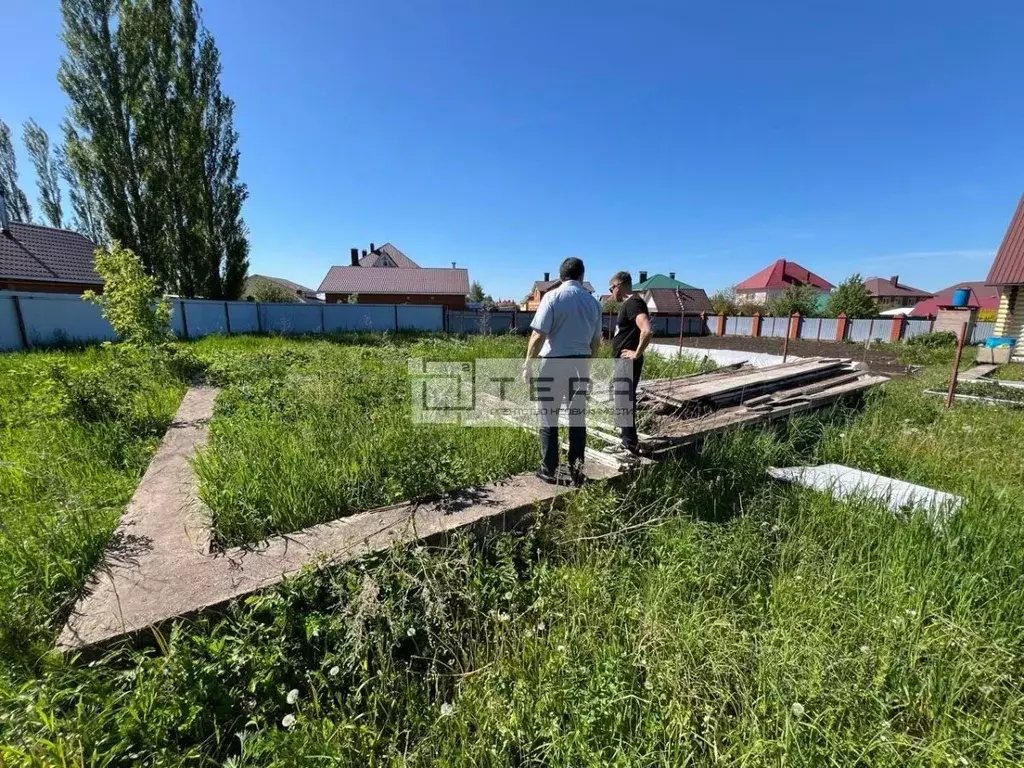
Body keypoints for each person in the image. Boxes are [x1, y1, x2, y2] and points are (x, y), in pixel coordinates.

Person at [522, 257, 602, 485]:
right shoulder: (594, 303)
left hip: (553, 364)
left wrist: (527, 363)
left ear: (561, 275)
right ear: (582, 276)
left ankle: (549, 469)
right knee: (578, 419)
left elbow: (538, 335)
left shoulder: (553, 297)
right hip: (580, 364)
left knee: (548, 416)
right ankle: (576, 470)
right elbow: (596, 342)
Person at [607, 271, 653, 454]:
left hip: (628, 361)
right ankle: (628, 441)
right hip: (624, 361)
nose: (612, 294)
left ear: (618, 285)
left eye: (611, 289)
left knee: (624, 400)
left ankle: (629, 444)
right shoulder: (632, 303)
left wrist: (636, 353)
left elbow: (647, 330)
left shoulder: (633, 303)